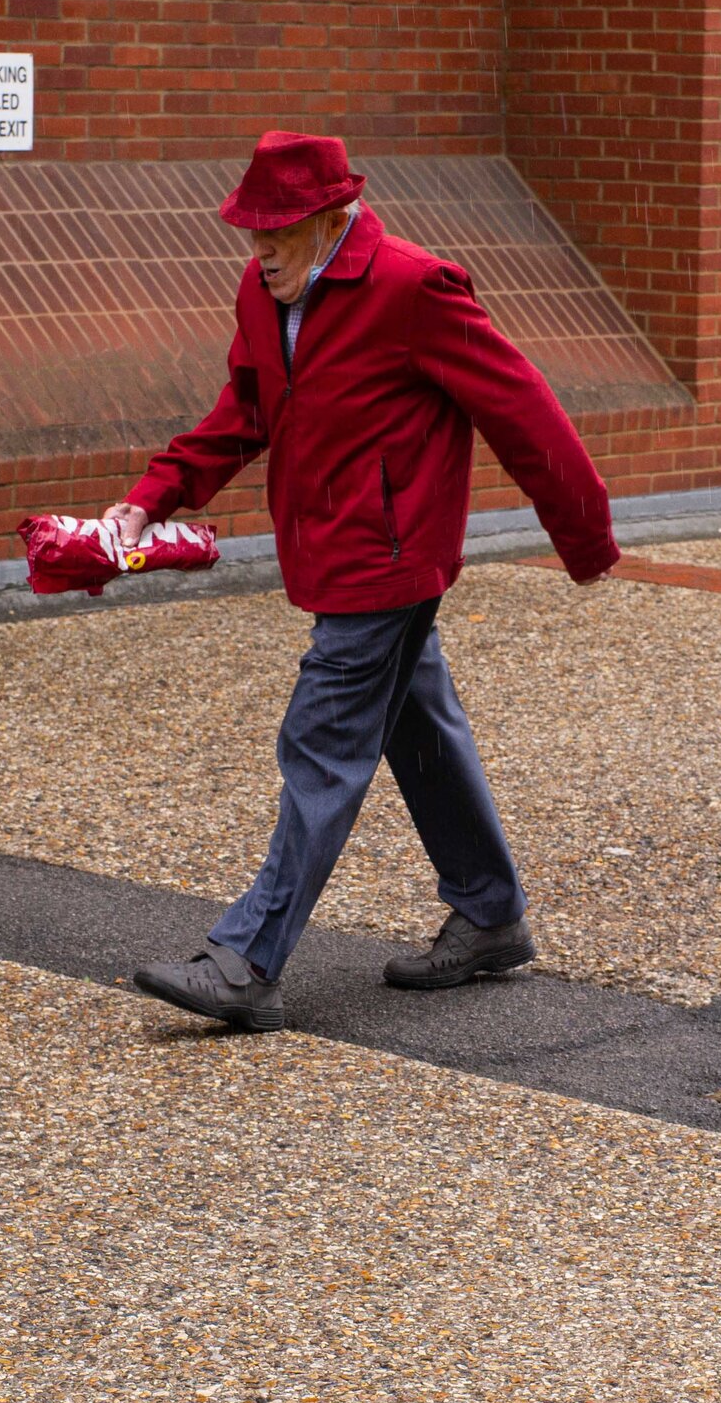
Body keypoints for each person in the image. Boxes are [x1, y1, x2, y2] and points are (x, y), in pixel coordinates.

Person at [117, 131, 618, 1034]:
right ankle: (491, 913)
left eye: (279, 230)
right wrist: (152, 499)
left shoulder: (414, 287)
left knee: (321, 744)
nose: (259, 248)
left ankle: (247, 961)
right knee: (419, 724)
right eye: (251, 229)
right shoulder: (264, 293)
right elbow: (243, 413)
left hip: (391, 560)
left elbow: (521, 405)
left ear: (336, 219)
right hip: (331, 554)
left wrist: (583, 538)